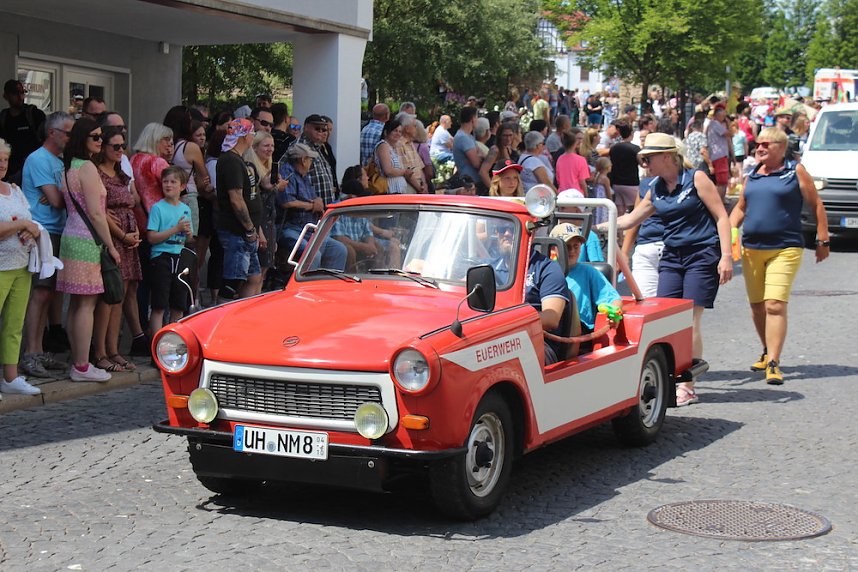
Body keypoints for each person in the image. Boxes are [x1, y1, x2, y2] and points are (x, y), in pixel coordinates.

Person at [602, 133, 733, 406]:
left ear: (667, 156)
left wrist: (726, 256)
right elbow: (631, 219)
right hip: (672, 255)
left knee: (690, 319)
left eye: (648, 158)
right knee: (666, 319)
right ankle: (669, 377)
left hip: (702, 254)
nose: (645, 164)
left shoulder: (696, 178)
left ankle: (687, 385)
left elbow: (721, 216)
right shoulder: (656, 187)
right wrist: (596, 225)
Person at [728, 127, 829, 385]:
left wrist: (822, 238)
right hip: (752, 249)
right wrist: (729, 234)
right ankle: (766, 350)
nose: (760, 148)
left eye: (767, 144)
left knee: (774, 304)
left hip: (785, 247)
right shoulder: (752, 174)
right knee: (757, 306)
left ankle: (773, 361)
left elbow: (816, 203)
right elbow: (741, 208)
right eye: (758, 144)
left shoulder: (795, 171)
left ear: (782, 148)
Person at [56, 118, 121, 383]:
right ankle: (82, 366)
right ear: (82, 138)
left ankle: (78, 362)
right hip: (87, 239)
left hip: (71, 235)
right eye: (95, 137)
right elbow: (96, 213)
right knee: (86, 304)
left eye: (100, 136)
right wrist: (111, 245)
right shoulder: (87, 168)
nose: (100, 141)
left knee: (76, 304)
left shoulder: (69, 167)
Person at [20, 111, 73, 377]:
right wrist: (61, 194)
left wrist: (60, 193)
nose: (71, 138)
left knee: (50, 294)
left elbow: (60, 197)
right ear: (52, 132)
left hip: (57, 229)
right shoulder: (38, 159)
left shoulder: (60, 161)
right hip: (43, 230)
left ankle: (39, 349)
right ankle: (30, 353)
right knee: (40, 293)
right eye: (68, 133)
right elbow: (57, 200)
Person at [92, 127, 141, 373]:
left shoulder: (121, 172)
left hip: (128, 237)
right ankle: (99, 352)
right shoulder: (97, 173)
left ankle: (114, 350)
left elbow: (131, 202)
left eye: (123, 146)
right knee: (108, 296)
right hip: (112, 237)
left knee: (120, 296)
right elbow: (101, 211)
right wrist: (122, 235)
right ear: (104, 147)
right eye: (116, 146)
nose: (121, 150)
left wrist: (135, 232)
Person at [0, 137, 42, 396]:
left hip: (21, 264)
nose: (2, 164)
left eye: (5, 160)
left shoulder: (14, 190)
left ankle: (10, 377)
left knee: (14, 324)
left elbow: (32, 221)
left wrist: (31, 229)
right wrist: (22, 225)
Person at [549, 223, 622, 347]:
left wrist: (614, 314)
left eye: (576, 246)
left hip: (580, 333)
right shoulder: (545, 270)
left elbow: (613, 299)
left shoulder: (589, 272)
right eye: (567, 246)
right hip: (550, 329)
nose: (572, 251)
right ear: (554, 248)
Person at [215, 118, 264, 302]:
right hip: (237, 231)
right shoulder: (231, 161)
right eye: (252, 133)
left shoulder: (238, 159)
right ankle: (221, 315)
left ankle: (243, 313)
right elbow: (236, 198)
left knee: (254, 277)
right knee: (233, 281)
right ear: (244, 136)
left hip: (245, 232)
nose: (253, 137)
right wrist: (249, 228)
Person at [276, 143, 347, 270]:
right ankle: (307, 282)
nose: (311, 163)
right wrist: (312, 206)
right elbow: (287, 202)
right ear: (303, 160)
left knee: (339, 250)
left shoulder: (304, 176)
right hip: (291, 229)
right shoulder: (287, 172)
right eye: (310, 160)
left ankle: (328, 281)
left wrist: (318, 201)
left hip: (308, 230)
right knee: (313, 255)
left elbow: (313, 199)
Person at [147, 167, 192, 334]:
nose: (168, 185)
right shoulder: (157, 208)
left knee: (178, 304)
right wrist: (176, 229)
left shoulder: (185, 209)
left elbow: (189, 238)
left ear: (182, 186)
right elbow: (152, 237)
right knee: (159, 304)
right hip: (162, 258)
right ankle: (156, 341)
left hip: (180, 257)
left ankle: (174, 340)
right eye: (165, 181)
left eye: (173, 182)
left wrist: (188, 233)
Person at [244, 131, 287, 290]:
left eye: (272, 146)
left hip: (270, 223)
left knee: (264, 269)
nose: (270, 149)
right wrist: (259, 232)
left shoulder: (269, 169)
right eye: (266, 145)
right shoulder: (251, 170)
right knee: (255, 273)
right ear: (255, 147)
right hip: (259, 223)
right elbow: (253, 205)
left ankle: (257, 297)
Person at [525, 243, 569, 366]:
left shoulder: (548, 269)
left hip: (540, 343)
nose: (507, 234)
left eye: (512, 232)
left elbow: (552, 318)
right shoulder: (490, 266)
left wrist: (511, 322)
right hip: (497, 340)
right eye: (501, 232)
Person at [1, 80, 46, 185]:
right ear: (6, 96)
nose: (20, 97)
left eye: (22, 92)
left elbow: (47, 141)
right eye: (15, 93)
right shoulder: (3, 118)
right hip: (10, 172)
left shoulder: (34, 114)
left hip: (33, 170)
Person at [297, 114, 338, 207]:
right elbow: (293, 179)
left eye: (323, 130)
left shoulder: (318, 147)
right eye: (317, 129)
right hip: (309, 208)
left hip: (324, 207)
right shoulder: (300, 147)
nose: (321, 132)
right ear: (306, 128)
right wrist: (309, 203)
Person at [374, 119, 414, 195]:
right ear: (386, 132)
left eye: (400, 132)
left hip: (397, 190)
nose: (398, 134)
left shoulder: (392, 148)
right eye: (395, 131)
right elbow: (388, 171)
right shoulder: (383, 146)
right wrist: (404, 172)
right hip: (390, 190)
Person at [608, 120, 639, 215]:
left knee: (619, 211)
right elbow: (642, 163)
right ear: (631, 133)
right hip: (631, 183)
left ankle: (618, 225)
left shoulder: (614, 148)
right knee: (637, 209)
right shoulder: (636, 148)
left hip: (616, 183)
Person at [395, 113, 428, 193]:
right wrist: (420, 189)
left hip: (418, 185)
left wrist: (424, 184)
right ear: (407, 129)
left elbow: (420, 167)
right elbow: (407, 173)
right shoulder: (399, 145)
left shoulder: (410, 143)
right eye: (415, 126)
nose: (417, 128)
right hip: (409, 185)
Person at [705, 103, 731, 198]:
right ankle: (719, 201)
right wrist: (729, 124)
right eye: (723, 115)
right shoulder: (715, 123)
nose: (724, 117)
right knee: (722, 182)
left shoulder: (712, 124)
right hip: (719, 155)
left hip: (718, 155)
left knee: (722, 181)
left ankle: (721, 200)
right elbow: (729, 133)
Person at [555, 129, 590, 198]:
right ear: (575, 143)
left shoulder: (560, 159)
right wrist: (586, 195)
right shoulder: (581, 160)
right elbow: (582, 181)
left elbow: (558, 180)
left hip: (563, 194)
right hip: (576, 195)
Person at [453, 107, 482, 187]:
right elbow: (476, 163)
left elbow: (481, 154)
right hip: (470, 183)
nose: (477, 120)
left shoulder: (468, 136)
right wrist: (478, 155)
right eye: (477, 117)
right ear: (472, 119)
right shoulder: (463, 137)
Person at [592, 157, 613, 226]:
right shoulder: (605, 179)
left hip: (598, 202)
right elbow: (608, 192)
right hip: (603, 202)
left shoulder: (597, 177)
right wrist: (611, 201)